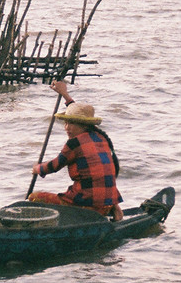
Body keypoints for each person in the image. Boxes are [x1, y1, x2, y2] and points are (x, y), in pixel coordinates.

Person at [29, 80, 124, 221]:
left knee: (34, 198)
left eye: (71, 123)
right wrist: (65, 95)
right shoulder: (101, 138)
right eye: (66, 123)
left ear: (83, 125)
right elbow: (77, 111)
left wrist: (37, 169)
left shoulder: (75, 143)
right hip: (107, 204)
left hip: (88, 207)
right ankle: (115, 209)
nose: (67, 127)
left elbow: (54, 166)